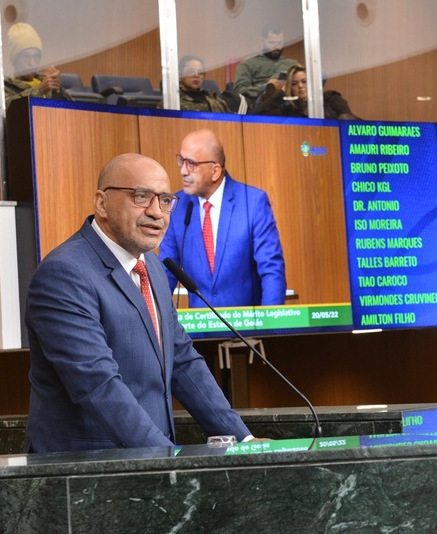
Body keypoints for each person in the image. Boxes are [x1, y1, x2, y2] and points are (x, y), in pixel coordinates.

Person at [24, 153, 253, 453]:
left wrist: (244, 440)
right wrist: (165, 460)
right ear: (102, 203)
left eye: (165, 200)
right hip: (85, 469)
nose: (157, 212)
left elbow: (182, 361)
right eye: (141, 197)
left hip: (150, 463)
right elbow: (97, 383)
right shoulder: (64, 273)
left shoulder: (153, 267)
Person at [158, 129, 286, 308]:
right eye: (181, 160)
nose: (183, 171)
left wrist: (272, 322)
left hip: (247, 324)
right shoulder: (177, 207)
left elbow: (272, 271)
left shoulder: (252, 203)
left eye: (191, 163)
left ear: (215, 171)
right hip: (199, 324)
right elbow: (165, 273)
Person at [253, 63, 359, 120]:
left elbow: (348, 117)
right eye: (294, 84)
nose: (300, 86)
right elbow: (257, 116)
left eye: (304, 81)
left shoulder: (329, 98)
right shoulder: (288, 111)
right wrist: (281, 92)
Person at [232, 23, 298, 108]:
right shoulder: (247, 64)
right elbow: (239, 91)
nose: (277, 46)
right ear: (262, 41)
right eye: (272, 42)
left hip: (291, 103)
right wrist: (266, 87)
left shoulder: (292, 64)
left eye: (280, 42)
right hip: (261, 104)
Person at [178, 55, 245, 114]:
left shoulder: (212, 97)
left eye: (200, 72)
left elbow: (230, 118)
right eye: (191, 71)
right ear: (180, 74)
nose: (196, 75)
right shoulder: (176, 100)